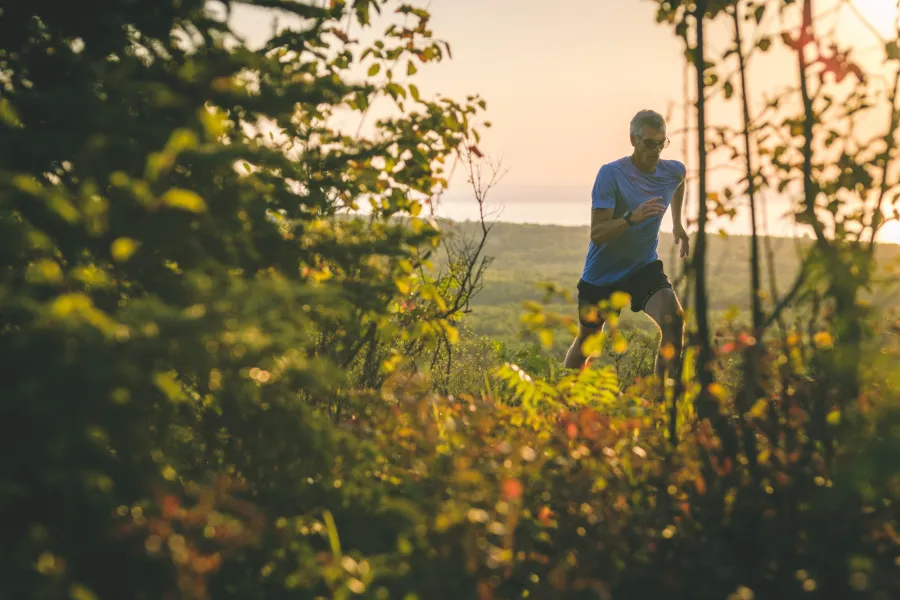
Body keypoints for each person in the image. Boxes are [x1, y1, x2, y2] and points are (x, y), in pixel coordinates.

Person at [564, 109, 691, 388]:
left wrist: (677, 223)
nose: (656, 150)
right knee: (589, 341)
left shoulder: (673, 171)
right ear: (633, 139)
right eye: (649, 143)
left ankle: (664, 407)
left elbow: (680, 182)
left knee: (674, 322)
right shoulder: (611, 174)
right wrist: (632, 218)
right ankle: (565, 404)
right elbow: (598, 234)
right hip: (602, 274)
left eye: (662, 143)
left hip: (642, 266)